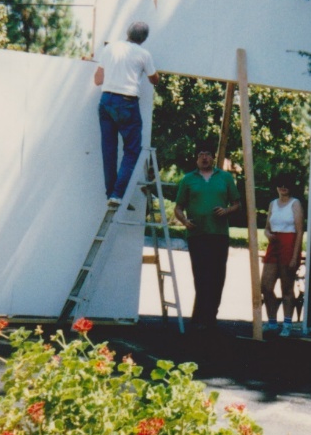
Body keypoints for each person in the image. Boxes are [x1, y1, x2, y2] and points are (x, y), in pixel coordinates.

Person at [174, 145, 241, 330]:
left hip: (219, 234)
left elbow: (237, 203)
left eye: (208, 154)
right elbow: (178, 207)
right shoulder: (188, 179)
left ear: (213, 157)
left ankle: (210, 315)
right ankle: (201, 317)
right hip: (197, 234)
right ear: (196, 159)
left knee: (217, 275)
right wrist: (185, 222)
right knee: (201, 275)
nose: (204, 158)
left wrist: (226, 210)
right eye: (201, 155)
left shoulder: (225, 177)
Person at [94, 21, 159, 206]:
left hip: (106, 100)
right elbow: (154, 80)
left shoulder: (110, 48)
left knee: (109, 149)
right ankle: (117, 194)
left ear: (127, 32)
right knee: (132, 150)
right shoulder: (144, 55)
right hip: (127, 103)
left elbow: (97, 79)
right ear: (144, 39)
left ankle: (111, 194)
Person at [261, 173, 305, 337]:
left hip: (289, 244)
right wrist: (268, 235)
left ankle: (287, 323)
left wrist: (295, 256)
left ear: (291, 187)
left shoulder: (295, 204)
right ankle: (272, 322)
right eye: (280, 184)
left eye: (286, 185)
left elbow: (300, 232)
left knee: (286, 287)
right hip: (274, 245)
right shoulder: (273, 204)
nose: (283, 188)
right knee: (265, 285)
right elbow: (266, 227)